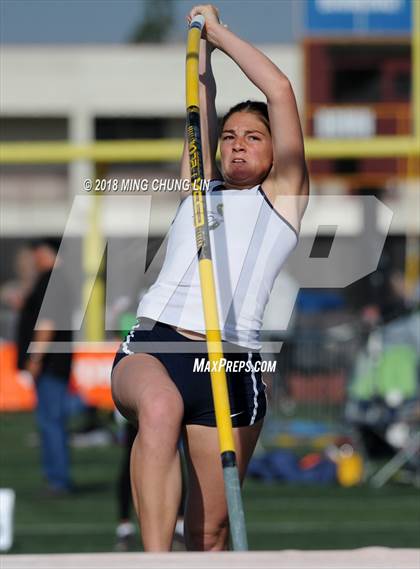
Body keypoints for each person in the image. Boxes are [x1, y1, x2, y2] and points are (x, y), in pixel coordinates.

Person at [111, 4, 309, 552]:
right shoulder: (198, 187)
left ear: (276, 154)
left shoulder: (284, 199)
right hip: (157, 346)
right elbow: (199, 96)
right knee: (159, 407)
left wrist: (220, 34)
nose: (237, 143)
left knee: (210, 533)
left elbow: (281, 91)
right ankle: (153, 561)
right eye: (228, 136)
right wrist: (200, 47)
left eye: (253, 137)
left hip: (234, 364)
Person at [16, 238, 74, 494]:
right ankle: (56, 478)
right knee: (50, 419)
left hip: (51, 363)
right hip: (53, 362)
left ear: (45, 253)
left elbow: (47, 323)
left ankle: (58, 480)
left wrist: (36, 356)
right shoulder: (54, 279)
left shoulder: (53, 280)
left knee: (51, 420)